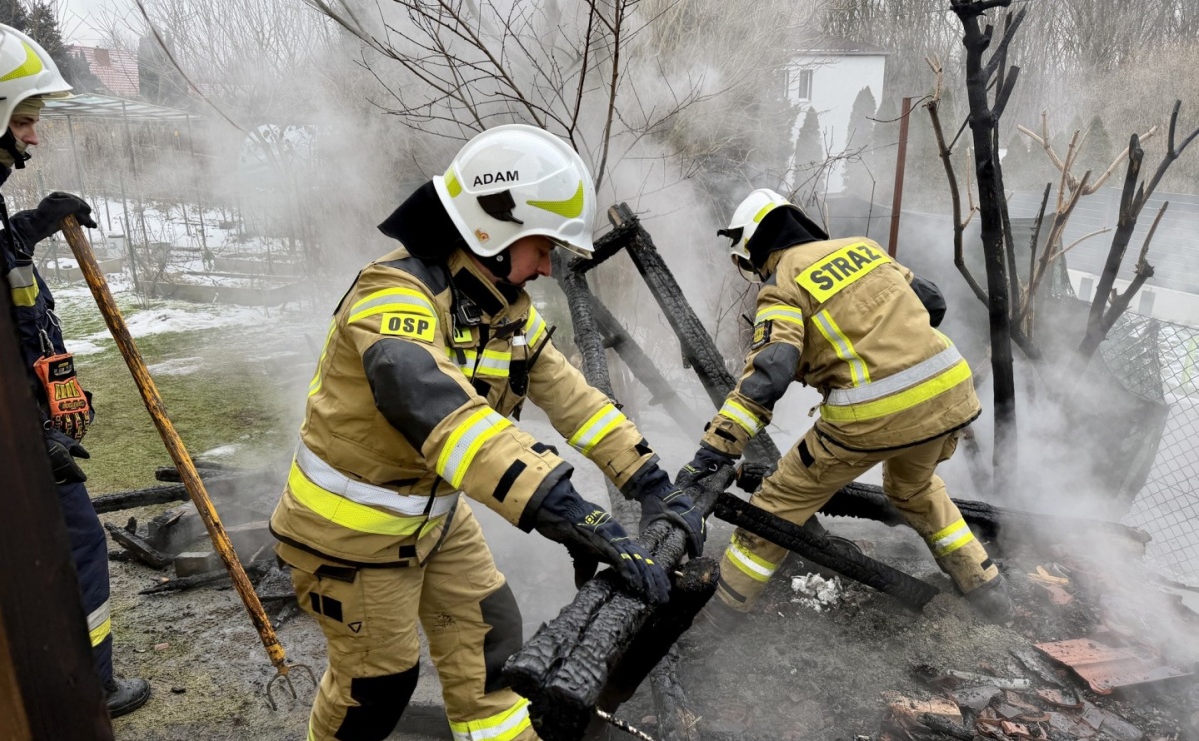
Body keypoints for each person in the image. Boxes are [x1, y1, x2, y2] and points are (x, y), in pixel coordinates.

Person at [269, 123, 706, 741]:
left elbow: (576, 400)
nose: (548, 266)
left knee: (492, 639)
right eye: (543, 246)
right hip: (350, 539)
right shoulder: (391, 296)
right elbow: (441, 411)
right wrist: (567, 510)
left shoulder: (505, 311)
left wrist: (650, 481)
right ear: (492, 231)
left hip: (435, 519)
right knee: (378, 685)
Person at [683, 188, 1011, 627]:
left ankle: (722, 610)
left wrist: (719, 444)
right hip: (950, 393)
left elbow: (771, 372)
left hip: (870, 416)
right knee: (913, 489)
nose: (756, 272)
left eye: (750, 262)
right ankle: (986, 586)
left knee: (775, 505)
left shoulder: (781, 285)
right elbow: (933, 302)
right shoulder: (865, 249)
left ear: (757, 246)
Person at [0, 24, 150, 716]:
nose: (33, 137)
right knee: (77, 545)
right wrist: (37, 435)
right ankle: (89, 685)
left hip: (29, 433)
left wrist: (36, 221)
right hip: (20, 445)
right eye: (23, 120)